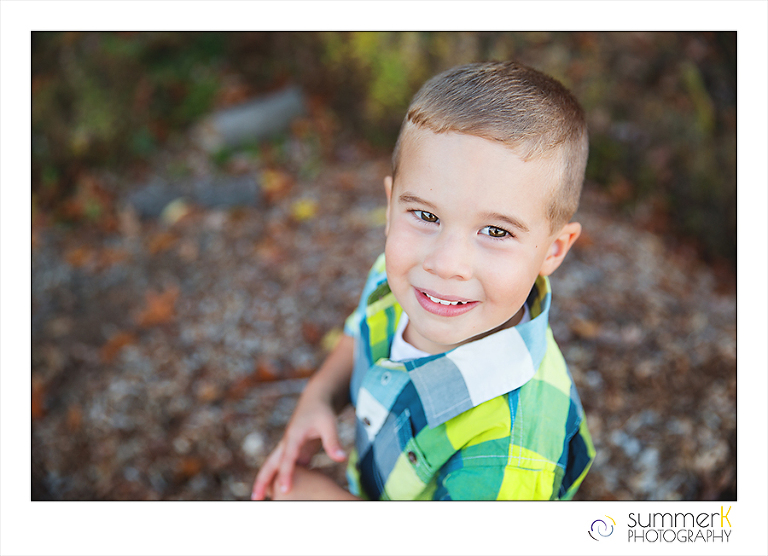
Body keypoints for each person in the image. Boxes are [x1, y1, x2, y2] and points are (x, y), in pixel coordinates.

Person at [252, 60, 595, 501]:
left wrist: (314, 500)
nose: (446, 264)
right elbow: (363, 329)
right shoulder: (397, 276)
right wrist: (319, 396)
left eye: (496, 232)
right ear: (391, 206)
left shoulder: (511, 447)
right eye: (426, 215)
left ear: (553, 250)